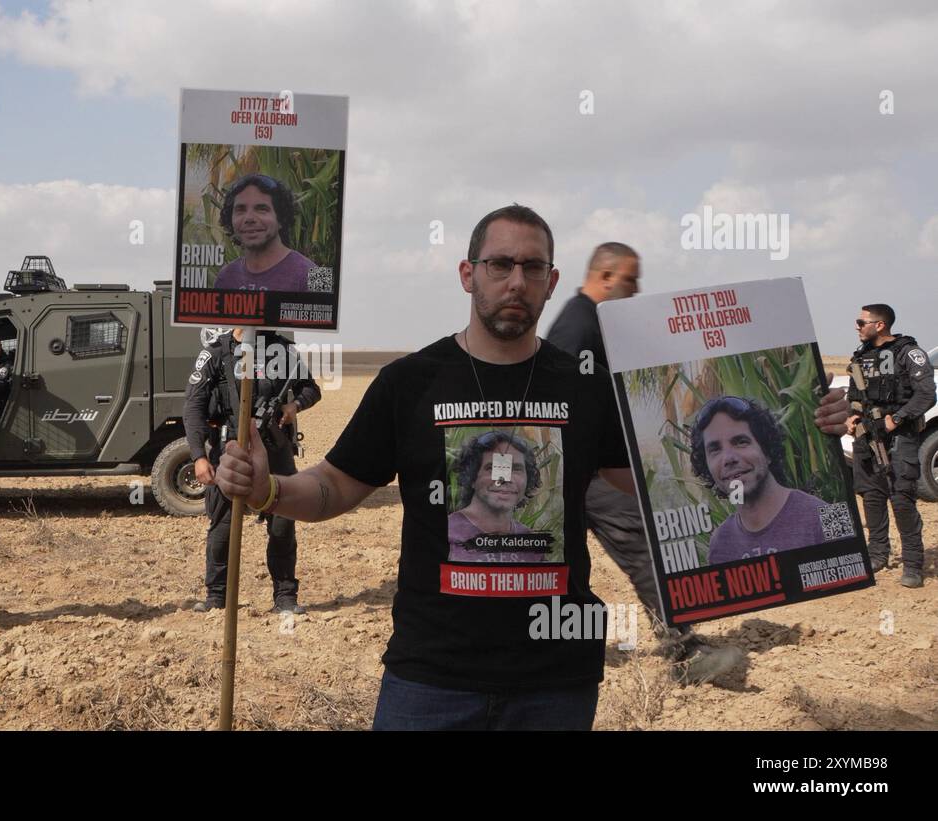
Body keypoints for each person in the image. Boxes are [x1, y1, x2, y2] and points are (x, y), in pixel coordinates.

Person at [215, 205, 852, 730]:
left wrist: (807, 433)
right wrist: (267, 488)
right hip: (430, 680)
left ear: (551, 281)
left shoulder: (585, 388)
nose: (515, 281)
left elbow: (663, 485)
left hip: (556, 685)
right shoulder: (409, 383)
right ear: (468, 274)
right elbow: (331, 488)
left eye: (532, 267)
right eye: (500, 264)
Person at [548, 242, 743, 683]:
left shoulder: (590, 321)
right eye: (630, 280)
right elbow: (557, 395)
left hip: (584, 469)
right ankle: (685, 655)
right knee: (645, 550)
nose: (636, 289)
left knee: (564, 566)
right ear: (605, 277)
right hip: (587, 471)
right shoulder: (578, 324)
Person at [183, 326, 320, 614]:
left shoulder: (280, 349)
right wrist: (198, 456)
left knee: (282, 526)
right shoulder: (215, 352)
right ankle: (216, 598)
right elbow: (194, 406)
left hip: (275, 451)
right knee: (222, 527)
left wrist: (294, 405)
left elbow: (311, 389)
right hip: (229, 450)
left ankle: (285, 598)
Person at [846, 303, 935, 587]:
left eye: (861, 322)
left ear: (880, 325)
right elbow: (854, 396)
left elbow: (926, 395)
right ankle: (877, 554)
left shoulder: (908, 353)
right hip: (867, 436)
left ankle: (913, 565)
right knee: (871, 496)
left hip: (899, 437)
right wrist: (853, 416)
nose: (857, 327)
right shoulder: (861, 356)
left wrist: (895, 419)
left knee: (901, 499)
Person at [689, 396, 831, 564]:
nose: (728, 458)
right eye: (715, 450)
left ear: (767, 450)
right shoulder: (719, 544)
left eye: (740, 442)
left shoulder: (829, 515)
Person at [447, 430, 543, 563]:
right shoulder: (447, 531)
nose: (504, 479)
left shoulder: (531, 542)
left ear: (528, 480)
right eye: (492, 468)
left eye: (516, 469)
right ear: (472, 477)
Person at [212, 174, 316, 292]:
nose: (249, 218)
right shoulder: (225, 277)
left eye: (261, 209)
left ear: (281, 218)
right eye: (240, 210)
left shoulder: (317, 275)